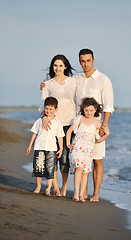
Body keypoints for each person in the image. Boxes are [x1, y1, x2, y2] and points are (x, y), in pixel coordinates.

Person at [74, 49, 114, 202]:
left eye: (88, 60)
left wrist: (104, 126)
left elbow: (108, 106)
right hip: (80, 126)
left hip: (96, 125)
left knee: (97, 159)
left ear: (93, 60)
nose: (86, 64)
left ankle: (96, 193)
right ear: (80, 61)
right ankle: (82, 192)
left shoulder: (103, 80)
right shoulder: (76, 78)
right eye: (83, 61)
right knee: (81, 160)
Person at [39, 54, 76, 197]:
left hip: (69, 123)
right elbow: (43, 103)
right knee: (51, 155)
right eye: (55, 65)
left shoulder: (73, 81)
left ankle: (64, 187)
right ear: (52, 66)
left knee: (65, 156)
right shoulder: (47, 84)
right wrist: (43, 117)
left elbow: (78, 101)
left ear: (65, 66)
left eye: (61, 65)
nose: (58, 68)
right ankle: (54, 186)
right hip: (53, 124)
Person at [66, 97, 110, 202]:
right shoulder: (79, 119)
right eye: (86, 110)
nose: (89, 113)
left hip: (89, 151)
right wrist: (68, 143)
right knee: (79, 168)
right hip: (77, 149)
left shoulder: (97, 123)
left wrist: (107, 135)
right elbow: (69, 132)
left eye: (91, 110)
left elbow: (98, 140)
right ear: (83, 110)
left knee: (85, 172)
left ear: (95, 110)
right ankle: (76, 193)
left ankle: (82, 195)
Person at [26, 97, 64, 196]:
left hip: (52, 149)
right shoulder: (39, 121)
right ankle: (38, 186)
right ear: (44, 108)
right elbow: (34, 134)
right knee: (38, 168)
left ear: (56, 109)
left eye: (51, 109)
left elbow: (60, 137)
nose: (48, 111)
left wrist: (61, 148)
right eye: (46, 109)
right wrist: (30, 146)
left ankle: (48, 188)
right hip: (39, 147)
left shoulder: (58, 123)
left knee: (50, 169)